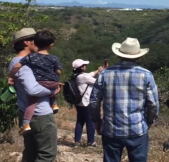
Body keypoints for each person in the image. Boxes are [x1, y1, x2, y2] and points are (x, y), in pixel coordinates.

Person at [89, 37, 159, 162]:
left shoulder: (104, 74)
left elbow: (94, 101)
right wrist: (148, 122)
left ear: (119, 55)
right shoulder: (146, 75)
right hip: (137, 129)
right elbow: (153, 104)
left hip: (111, 129)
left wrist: (97, 121)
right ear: (139, 57)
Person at [8, 28, 60, 162]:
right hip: (40, 115)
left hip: (27, 112)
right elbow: (33, 90)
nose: (37, 43)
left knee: (31, 153)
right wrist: (52, 91)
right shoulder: (23, 64)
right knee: (47, 155)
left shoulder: (19, 63)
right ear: (26, 42)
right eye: (34, 40)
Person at [71, 59, 103, 147]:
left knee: (80, 122)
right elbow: (98, 82)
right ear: (81, 67)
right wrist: (102, 73)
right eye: (84, 65)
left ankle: (77, 142)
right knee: (90, 122)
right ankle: (91, 142)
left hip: (79, 103)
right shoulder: (83, 77)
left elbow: (91, 74)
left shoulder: (76, 75)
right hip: (86, 103)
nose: (86, 66)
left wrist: (99, 70)